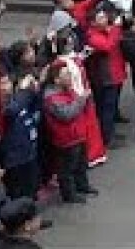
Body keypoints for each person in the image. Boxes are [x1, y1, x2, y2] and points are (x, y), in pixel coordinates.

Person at [41, 61, 98, 204]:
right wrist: (82, 99)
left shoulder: (67, 90)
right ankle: (69, 194)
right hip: (66, 140)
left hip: (78, 135)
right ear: (56, 80)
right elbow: (67, 114)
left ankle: (82, 185)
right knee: (66, 169)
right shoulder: (52, 98)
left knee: (81, 163)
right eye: (66, 74)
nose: (70, 76)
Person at [52, 29, 106, 168]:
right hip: (79, 96)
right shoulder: (62, 63)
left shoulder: (72, 58)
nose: (71, 44)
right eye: (68, 43)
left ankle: (93, 155)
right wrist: (80, 97)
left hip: (83, 93)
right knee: (85, 128)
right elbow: (72, 82)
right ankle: (89, 156)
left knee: (90, 126)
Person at [84, 9, 127, 148]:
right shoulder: (92, 36)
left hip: (115, 74)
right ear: (93, 22)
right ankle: (106, 137)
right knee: (105, 109)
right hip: (106, 78)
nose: (105, 20)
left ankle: (110, 132)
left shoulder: (106, 32)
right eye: (101, 18)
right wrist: (115, 28)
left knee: (112, 107)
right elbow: (107, 46)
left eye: (105, 17)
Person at [0, 74, 41, 201]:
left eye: (8, 81)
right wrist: (24, 90)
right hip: (14, 157)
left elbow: (35, 104)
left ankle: (33, 218)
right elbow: (13, 110)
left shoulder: (17, 98)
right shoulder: (2, 105)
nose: (7, 86)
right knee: (18, 193)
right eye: (2, 83)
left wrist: (34, 89)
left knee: (32, 188)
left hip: (29, 150)